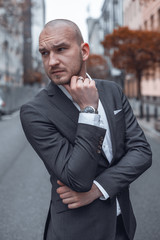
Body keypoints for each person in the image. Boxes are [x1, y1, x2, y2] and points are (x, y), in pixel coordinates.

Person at [20, 19, 152, 240]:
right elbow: (77, 178)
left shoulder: (112, 91)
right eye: (44, 53)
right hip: (76, 231)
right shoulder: (35, 111)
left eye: (61, 49)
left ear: (84, 51)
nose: (52, 61)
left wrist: (98, 189)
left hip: (123, 224)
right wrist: (88, 110)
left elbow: (142, 153)